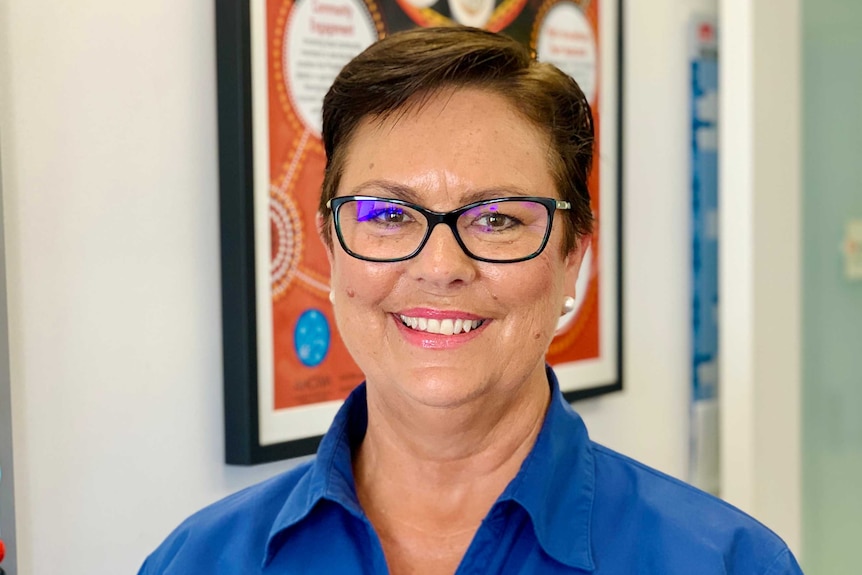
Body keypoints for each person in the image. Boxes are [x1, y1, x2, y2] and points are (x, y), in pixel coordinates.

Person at [139, 27, 803, 574]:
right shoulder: (198, 560)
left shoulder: (728, 562)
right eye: (388, 214)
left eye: (497, 219)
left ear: (572, 256)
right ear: (330, 249)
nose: (440, 266)